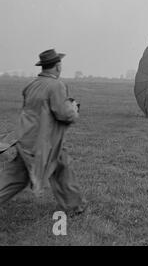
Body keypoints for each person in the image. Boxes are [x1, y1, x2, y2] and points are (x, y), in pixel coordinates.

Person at [0, 49, 86, 215]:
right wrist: (73, 108)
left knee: (61, 168)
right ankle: (75, 206)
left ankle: (75, 205)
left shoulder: (31, 85)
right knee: (19, 177)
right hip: (44, 143)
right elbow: (63, 113)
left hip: (26, 138)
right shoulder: (56, 85)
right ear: (57, 67)